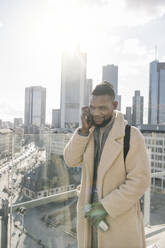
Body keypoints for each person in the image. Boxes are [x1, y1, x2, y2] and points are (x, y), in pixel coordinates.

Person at [64, 81, 151, 248]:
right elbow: (70, 160)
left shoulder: (131, 135)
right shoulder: (87, 132)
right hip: (90, 220)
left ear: (115, 105)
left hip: (118, 221)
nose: (96, 113)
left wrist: (105, 207)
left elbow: (140, 181)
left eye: (102, 108)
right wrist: (82, 131)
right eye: (92, 107)